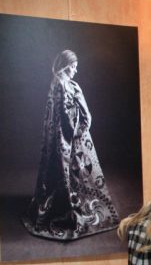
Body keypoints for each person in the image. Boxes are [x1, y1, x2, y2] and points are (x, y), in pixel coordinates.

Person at [22, 49, 120, 240]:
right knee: (75, 170)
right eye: (73, 67)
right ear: (66, 66)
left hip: (58, 136)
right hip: (69, 137)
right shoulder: (63, 84)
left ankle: (63, 200)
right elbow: (66, 114)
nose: (75, 71)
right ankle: (71, 205)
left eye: (76, 67)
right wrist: (77, 132)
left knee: (62, 169)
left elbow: (54, 113)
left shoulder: (57, 82)